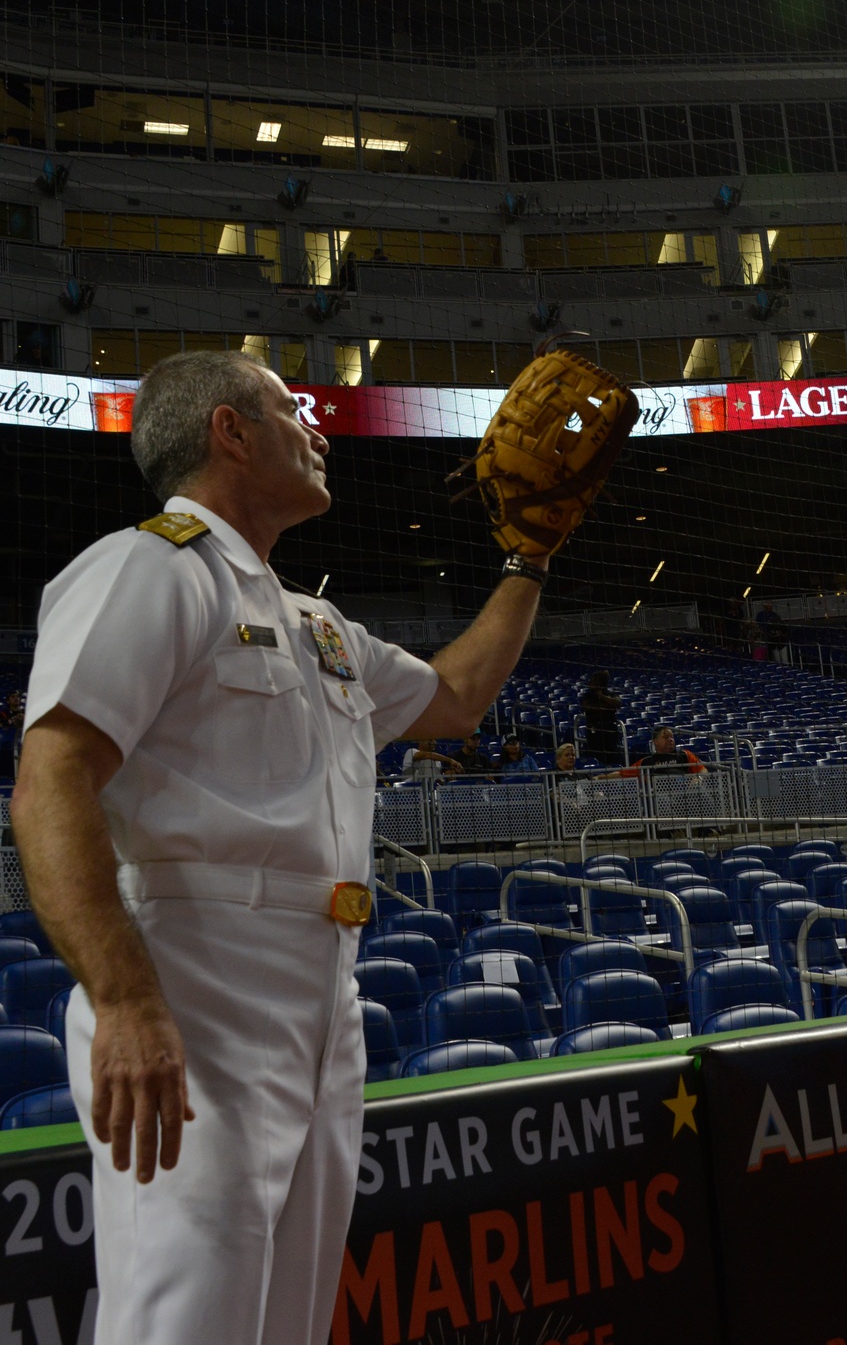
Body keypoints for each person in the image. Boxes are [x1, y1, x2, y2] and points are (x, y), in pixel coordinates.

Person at [10, 350, 552, 1345]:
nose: (317, 427)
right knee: (186, 1318)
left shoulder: (317, 626)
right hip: (195, 983)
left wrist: (530, 558)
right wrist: (126, 998)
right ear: (229, 431)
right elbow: (50, 779)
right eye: (290, 408)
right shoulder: (150, 564)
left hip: (324, 994)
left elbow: (458, 697)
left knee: (288, 1325)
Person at [580, 669, 621, 765]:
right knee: (597, 756)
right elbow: (587, 707)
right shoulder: (588, 695)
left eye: (593, 680)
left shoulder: (610, 693)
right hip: (595, 730)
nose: (590, 682)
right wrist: (608, 706)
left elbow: (617, 703)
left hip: (610, 729)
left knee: (612, 756)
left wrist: (602, 697)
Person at [638, 726, 706, 775]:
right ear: (656, 742)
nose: (670, 740)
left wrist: (698, 778)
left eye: (671, 737)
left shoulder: (685, 754)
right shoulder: (645, 762)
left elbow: (703, 770)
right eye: (665, 737)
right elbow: (627, 775)